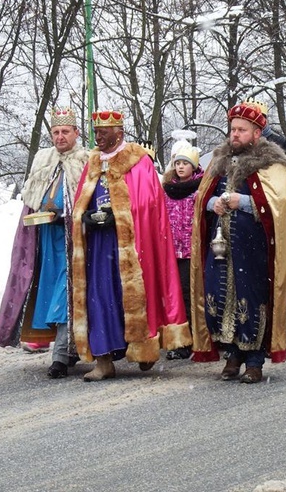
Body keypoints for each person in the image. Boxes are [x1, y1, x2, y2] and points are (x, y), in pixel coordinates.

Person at [71, 110, 192, 381]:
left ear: (119, 133)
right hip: (99, 244)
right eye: (96, 132)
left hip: (132, 244)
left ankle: (143, 349)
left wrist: (121, 215)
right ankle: (103, 359)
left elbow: (149, 203)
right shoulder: (93, 162)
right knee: (100, 296)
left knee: (135, 294)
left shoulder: (138, 162)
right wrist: (85, 217)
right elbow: (83, 199)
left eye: (104, 132)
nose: (98, 137)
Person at [190, 101, 286, 384]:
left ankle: (255, 361)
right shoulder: (218, 161)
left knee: (251, 298)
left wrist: (244, 202)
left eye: (242, 130)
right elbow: (201, 198)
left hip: (253, 246)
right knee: (221, 298)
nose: (235, 134)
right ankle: (232, 355)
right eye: (233, 129)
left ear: (257, 133)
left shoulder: (272, 163)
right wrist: (212, 203)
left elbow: (278, 204)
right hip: (220, 246)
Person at [0, 107, 89, 378]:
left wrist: (69, 216)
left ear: (76, 133)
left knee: (66, 295)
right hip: (46, 242)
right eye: (56, 132)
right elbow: (32, 197)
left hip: (74, 240)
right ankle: (70, 350)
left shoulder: (85, 160)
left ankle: (59, 357)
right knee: (49, 296)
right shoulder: (43, 159)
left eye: (65, 132)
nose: (60, 137)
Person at [162, 143, 204, 360]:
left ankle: (193, 338)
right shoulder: (168, 188)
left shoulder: (201, 188)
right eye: (177, 163)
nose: (180, 167)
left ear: (193, 166)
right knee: (174, 294)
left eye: (185, 163)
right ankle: (178, 338)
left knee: (191, 293)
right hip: (172, 250)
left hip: (193, 250)